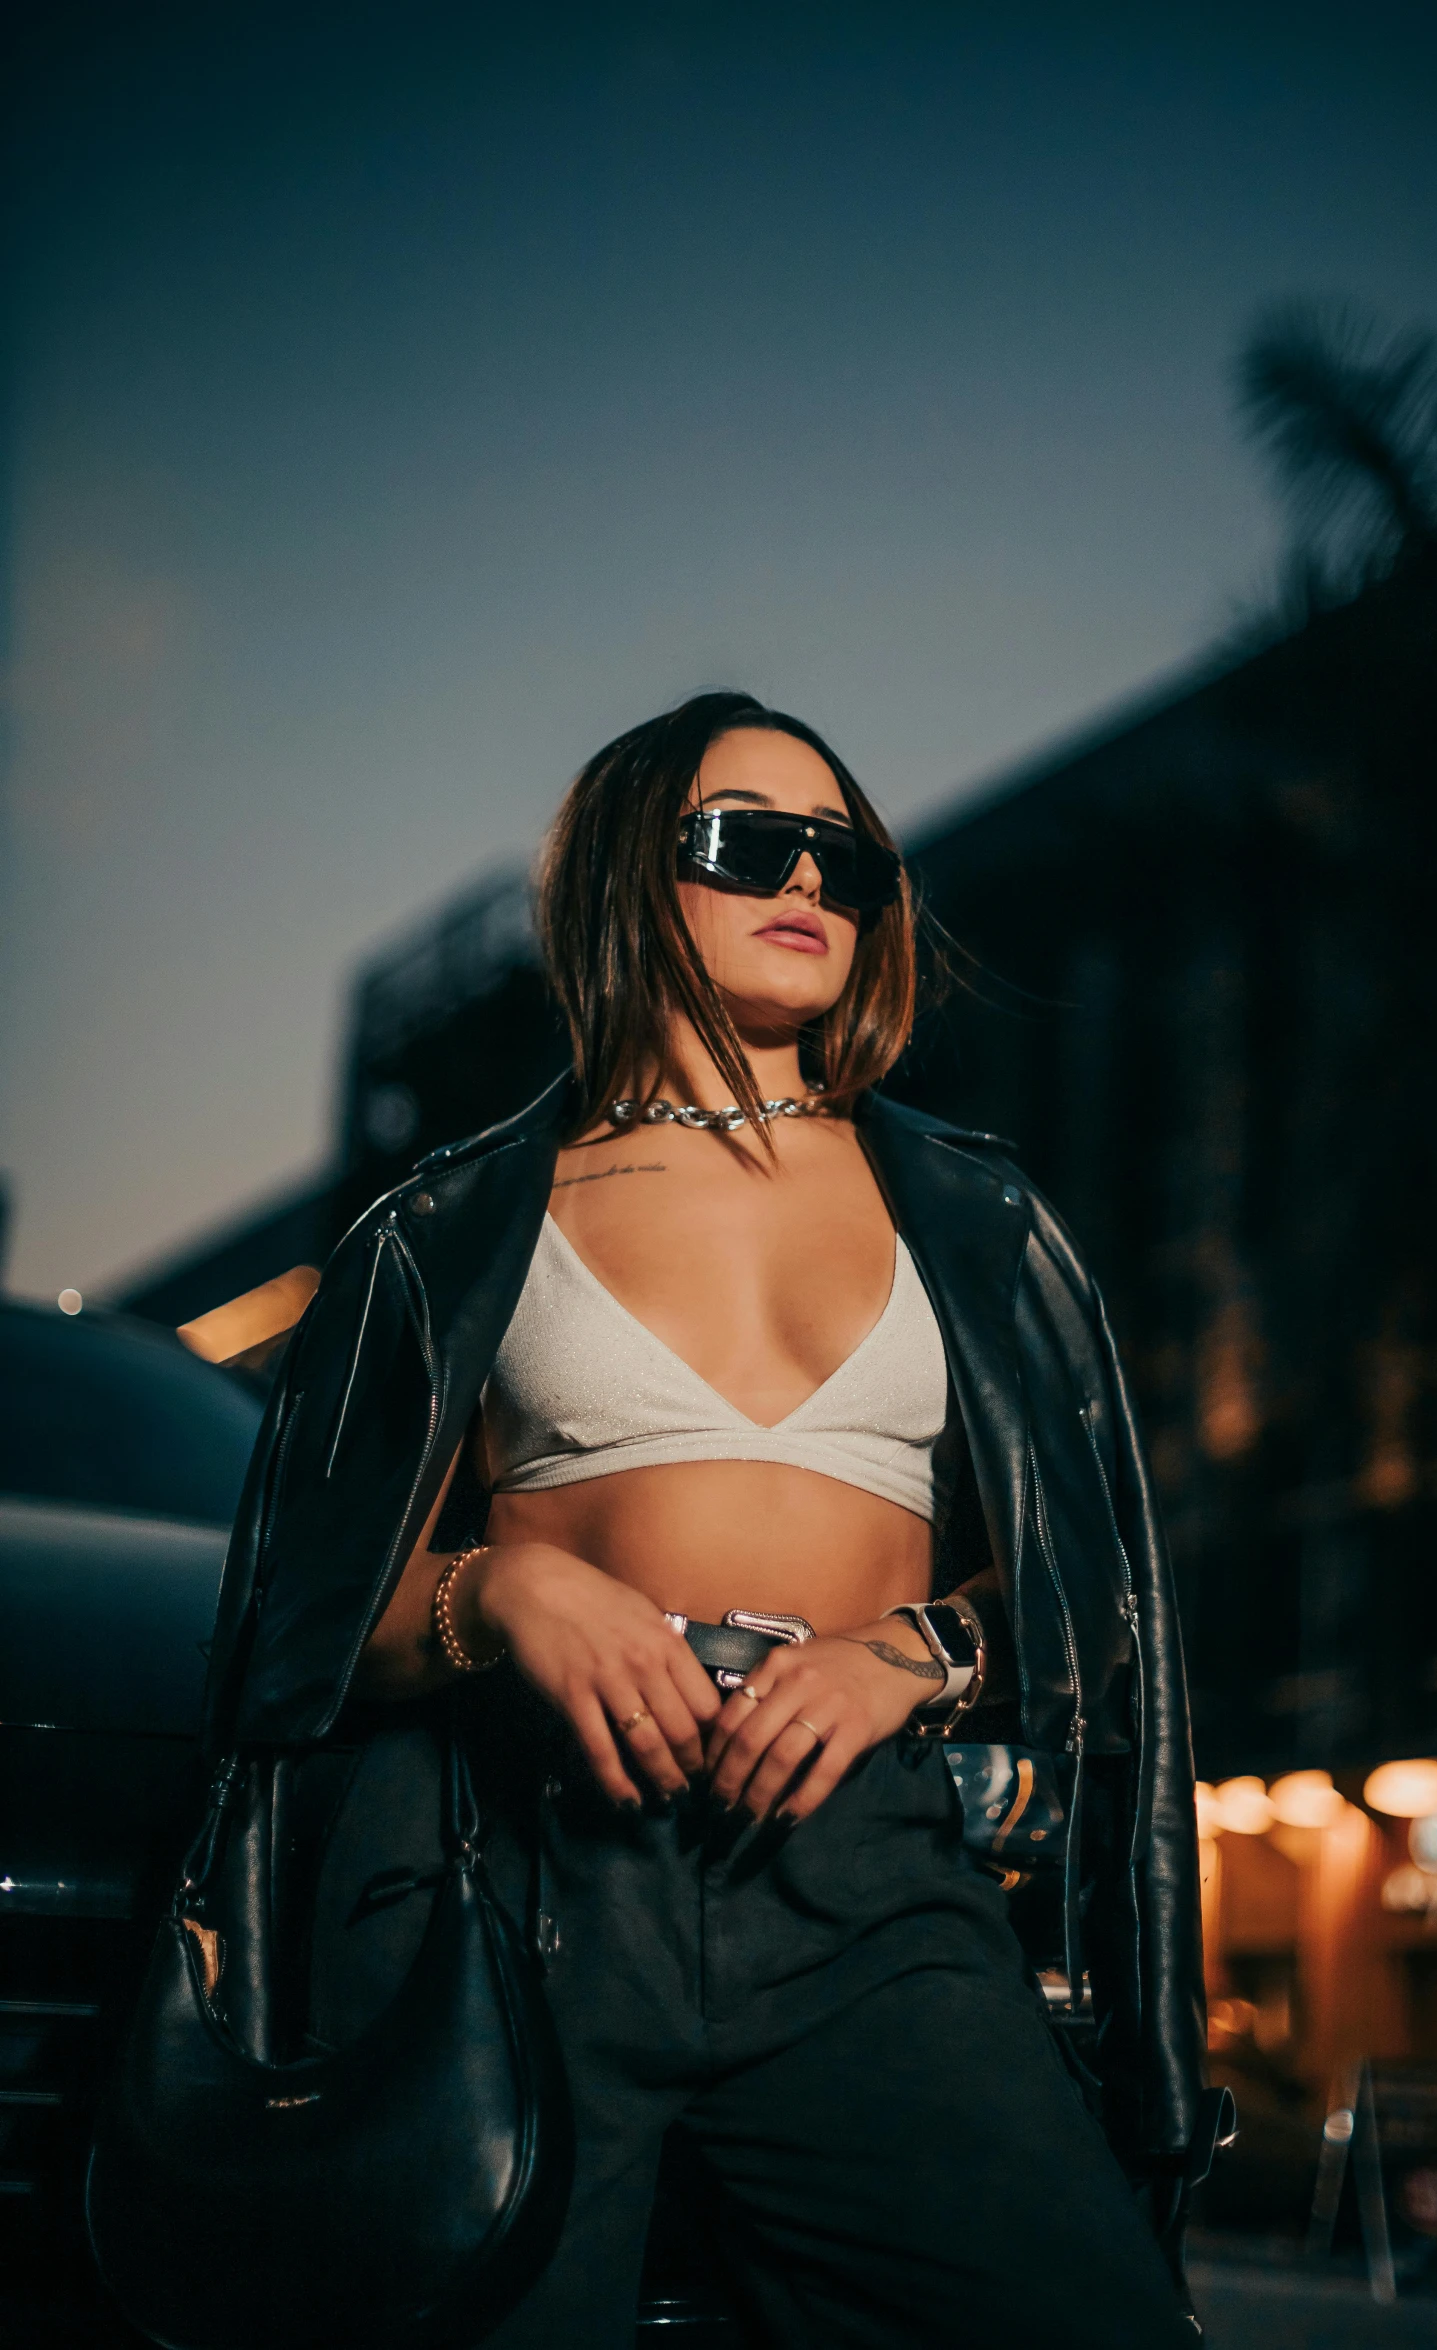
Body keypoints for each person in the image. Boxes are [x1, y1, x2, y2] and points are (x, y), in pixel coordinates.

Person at [210, 691, 1209, 2347]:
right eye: (750, 841)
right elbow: (304, 1628)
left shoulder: (973, 1213)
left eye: (847, 855)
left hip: (863, 1891)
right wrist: (504, 1595)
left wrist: (916, 1649)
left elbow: (1092, 1599)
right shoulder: (455, 1224)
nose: (806, 877)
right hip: (531, 1884)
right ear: (627, 874)